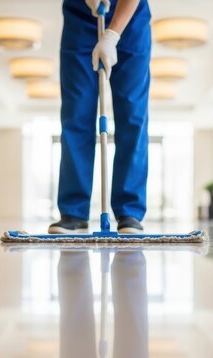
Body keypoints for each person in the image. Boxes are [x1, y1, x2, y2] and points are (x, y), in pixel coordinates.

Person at [49, 0, 151, 235]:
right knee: (76, 112)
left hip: (131, 18)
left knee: (133, 112)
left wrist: (113, 34)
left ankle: (130, 211)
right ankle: (73, 212)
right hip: (79, 16)